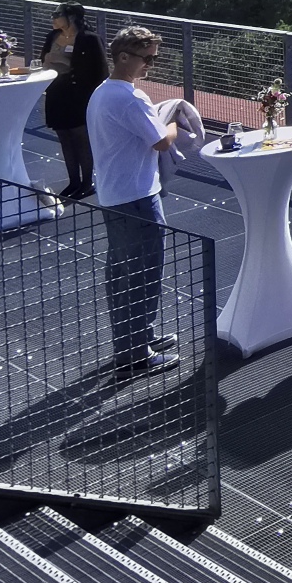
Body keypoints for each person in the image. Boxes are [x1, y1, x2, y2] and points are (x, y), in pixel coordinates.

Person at [85, 25, 184, 377]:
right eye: (147, 59)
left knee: (122, 273)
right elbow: (161, 141)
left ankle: (136, 337)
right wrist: (174, 121)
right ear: (124, 57)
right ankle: (134, 354)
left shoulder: (102, 92)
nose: (150, 66)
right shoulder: (129, 97)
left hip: (115, 195)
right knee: (142, 273)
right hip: (137, 197)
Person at [39, 2, 106, 202]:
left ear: (71, 17)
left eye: (56, 14)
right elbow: (43, 58)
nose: (53, 18)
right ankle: (73, 181)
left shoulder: (89, 39)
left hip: (79, 95)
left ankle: (87, 182)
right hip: (56, 92)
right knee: (65, 138)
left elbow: (101, 71)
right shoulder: (52, 36)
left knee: (81, 139)